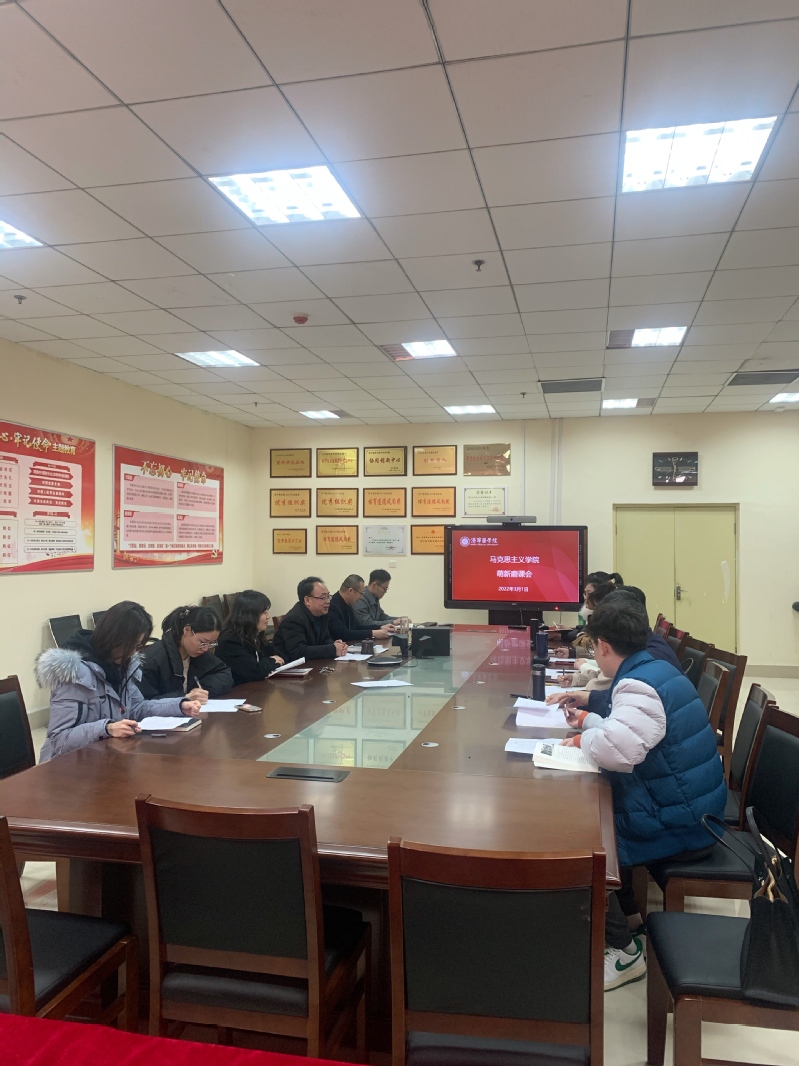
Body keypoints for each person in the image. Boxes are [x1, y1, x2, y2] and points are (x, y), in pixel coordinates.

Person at [546, 596, 726, 992]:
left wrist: (582, 739)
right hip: (691, 805)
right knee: (600, 814)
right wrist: (588, 722)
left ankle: (624, 951)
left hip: (685, 822)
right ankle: (627, 916)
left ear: (603, 646)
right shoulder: (653, 669)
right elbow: (627, 732)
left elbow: (617, 751)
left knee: (585, 839)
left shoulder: (639, 685)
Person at [35, 601, 202, 761]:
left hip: (104, 758)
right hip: (66, 767)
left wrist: (178, 705)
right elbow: (60, 739)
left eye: (138, 646)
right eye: (131, 645)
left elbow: (138, 708)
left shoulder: (122, 666)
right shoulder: (75, 674)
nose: (133, 653)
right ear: (113, 638)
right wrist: (106, 728)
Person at [139, 604, 232, 702]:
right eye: (202, 642)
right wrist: (184, 697)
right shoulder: (152, 660)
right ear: (187, 630)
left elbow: (224, 673)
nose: (205, 648)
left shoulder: (197, 653)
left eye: (211, 643)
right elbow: (143, 703)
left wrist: (200, 689)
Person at [215, 590, 285, 685]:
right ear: (249, 616)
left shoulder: (255, 634)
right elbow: (254, 671)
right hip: (239, 691)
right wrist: (272, 661)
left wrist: (272, 662)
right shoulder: (230, 641)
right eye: (264, 612)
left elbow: (279, 656)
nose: (268, 616)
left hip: (257, 688)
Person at [271, 577, 348, 662]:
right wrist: (332, 649)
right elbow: (299, 652)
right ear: (307, 600)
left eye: (328, 596)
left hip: (313, 664)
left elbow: (325, 639)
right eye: (323, 597)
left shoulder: (322, 614)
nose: (328, 601)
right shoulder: (294, 620)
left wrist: (336, 645)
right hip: (290, 666)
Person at [329, 575, 395, 644]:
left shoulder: (348, 604)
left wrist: (380, 627)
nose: (361, 597)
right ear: (350, 591)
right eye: (361, 593)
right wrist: (372, 633)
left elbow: (358, 627)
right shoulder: (333, 606)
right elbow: (342, 634)